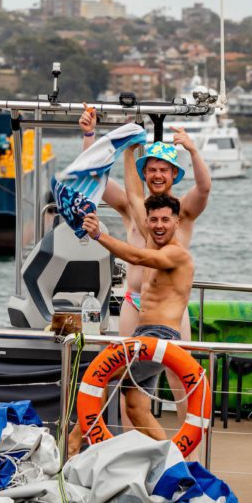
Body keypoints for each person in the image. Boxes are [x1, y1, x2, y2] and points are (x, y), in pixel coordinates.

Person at [78, 107, 211, 434]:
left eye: (164, 169)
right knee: (130, 387)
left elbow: (205, 188)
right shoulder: (130, 206)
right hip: (133, 303)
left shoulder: (183, 212)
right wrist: (89, 136)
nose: (157, 175)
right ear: (143, 172)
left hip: (171, 313)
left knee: (181, 382)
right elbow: (95, 180)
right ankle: (130, 447)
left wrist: (193, 150)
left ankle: (188, 456)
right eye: (151, 169)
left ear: (174, 174)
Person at [80, 194, 194, 441]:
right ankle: (170, 460)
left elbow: (136, 257)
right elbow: (133, 195)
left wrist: (99, 235)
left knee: (100, 373)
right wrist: (130, 154)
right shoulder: (154, 245)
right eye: (153, 220)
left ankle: (74, 445)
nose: (159, 225)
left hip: (160, 339)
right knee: (135, 406)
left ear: (177, 222)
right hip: (143, 335)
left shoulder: (177, 254)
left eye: (165, 219)